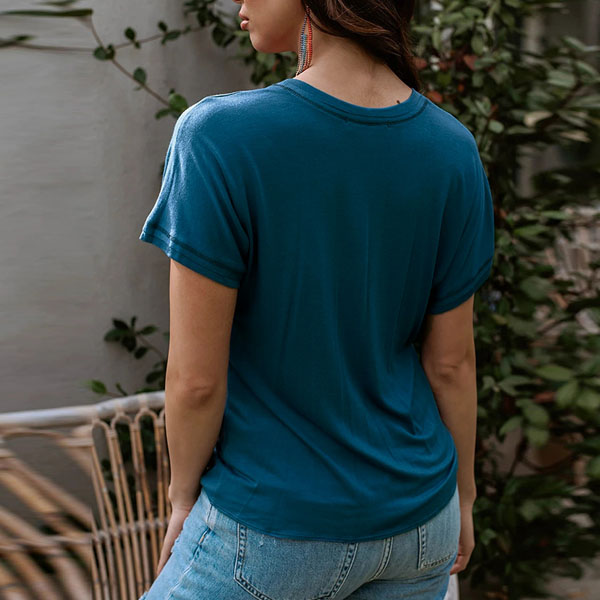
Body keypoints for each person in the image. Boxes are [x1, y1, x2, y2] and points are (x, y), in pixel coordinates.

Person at [137, 0, 495, 598]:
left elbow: (196, 380)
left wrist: (181, 498)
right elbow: (452, 363)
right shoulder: (452, 147)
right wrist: (464, 495)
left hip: (274, 523)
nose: (240, 3)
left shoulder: (220, 135)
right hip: (421, 521)